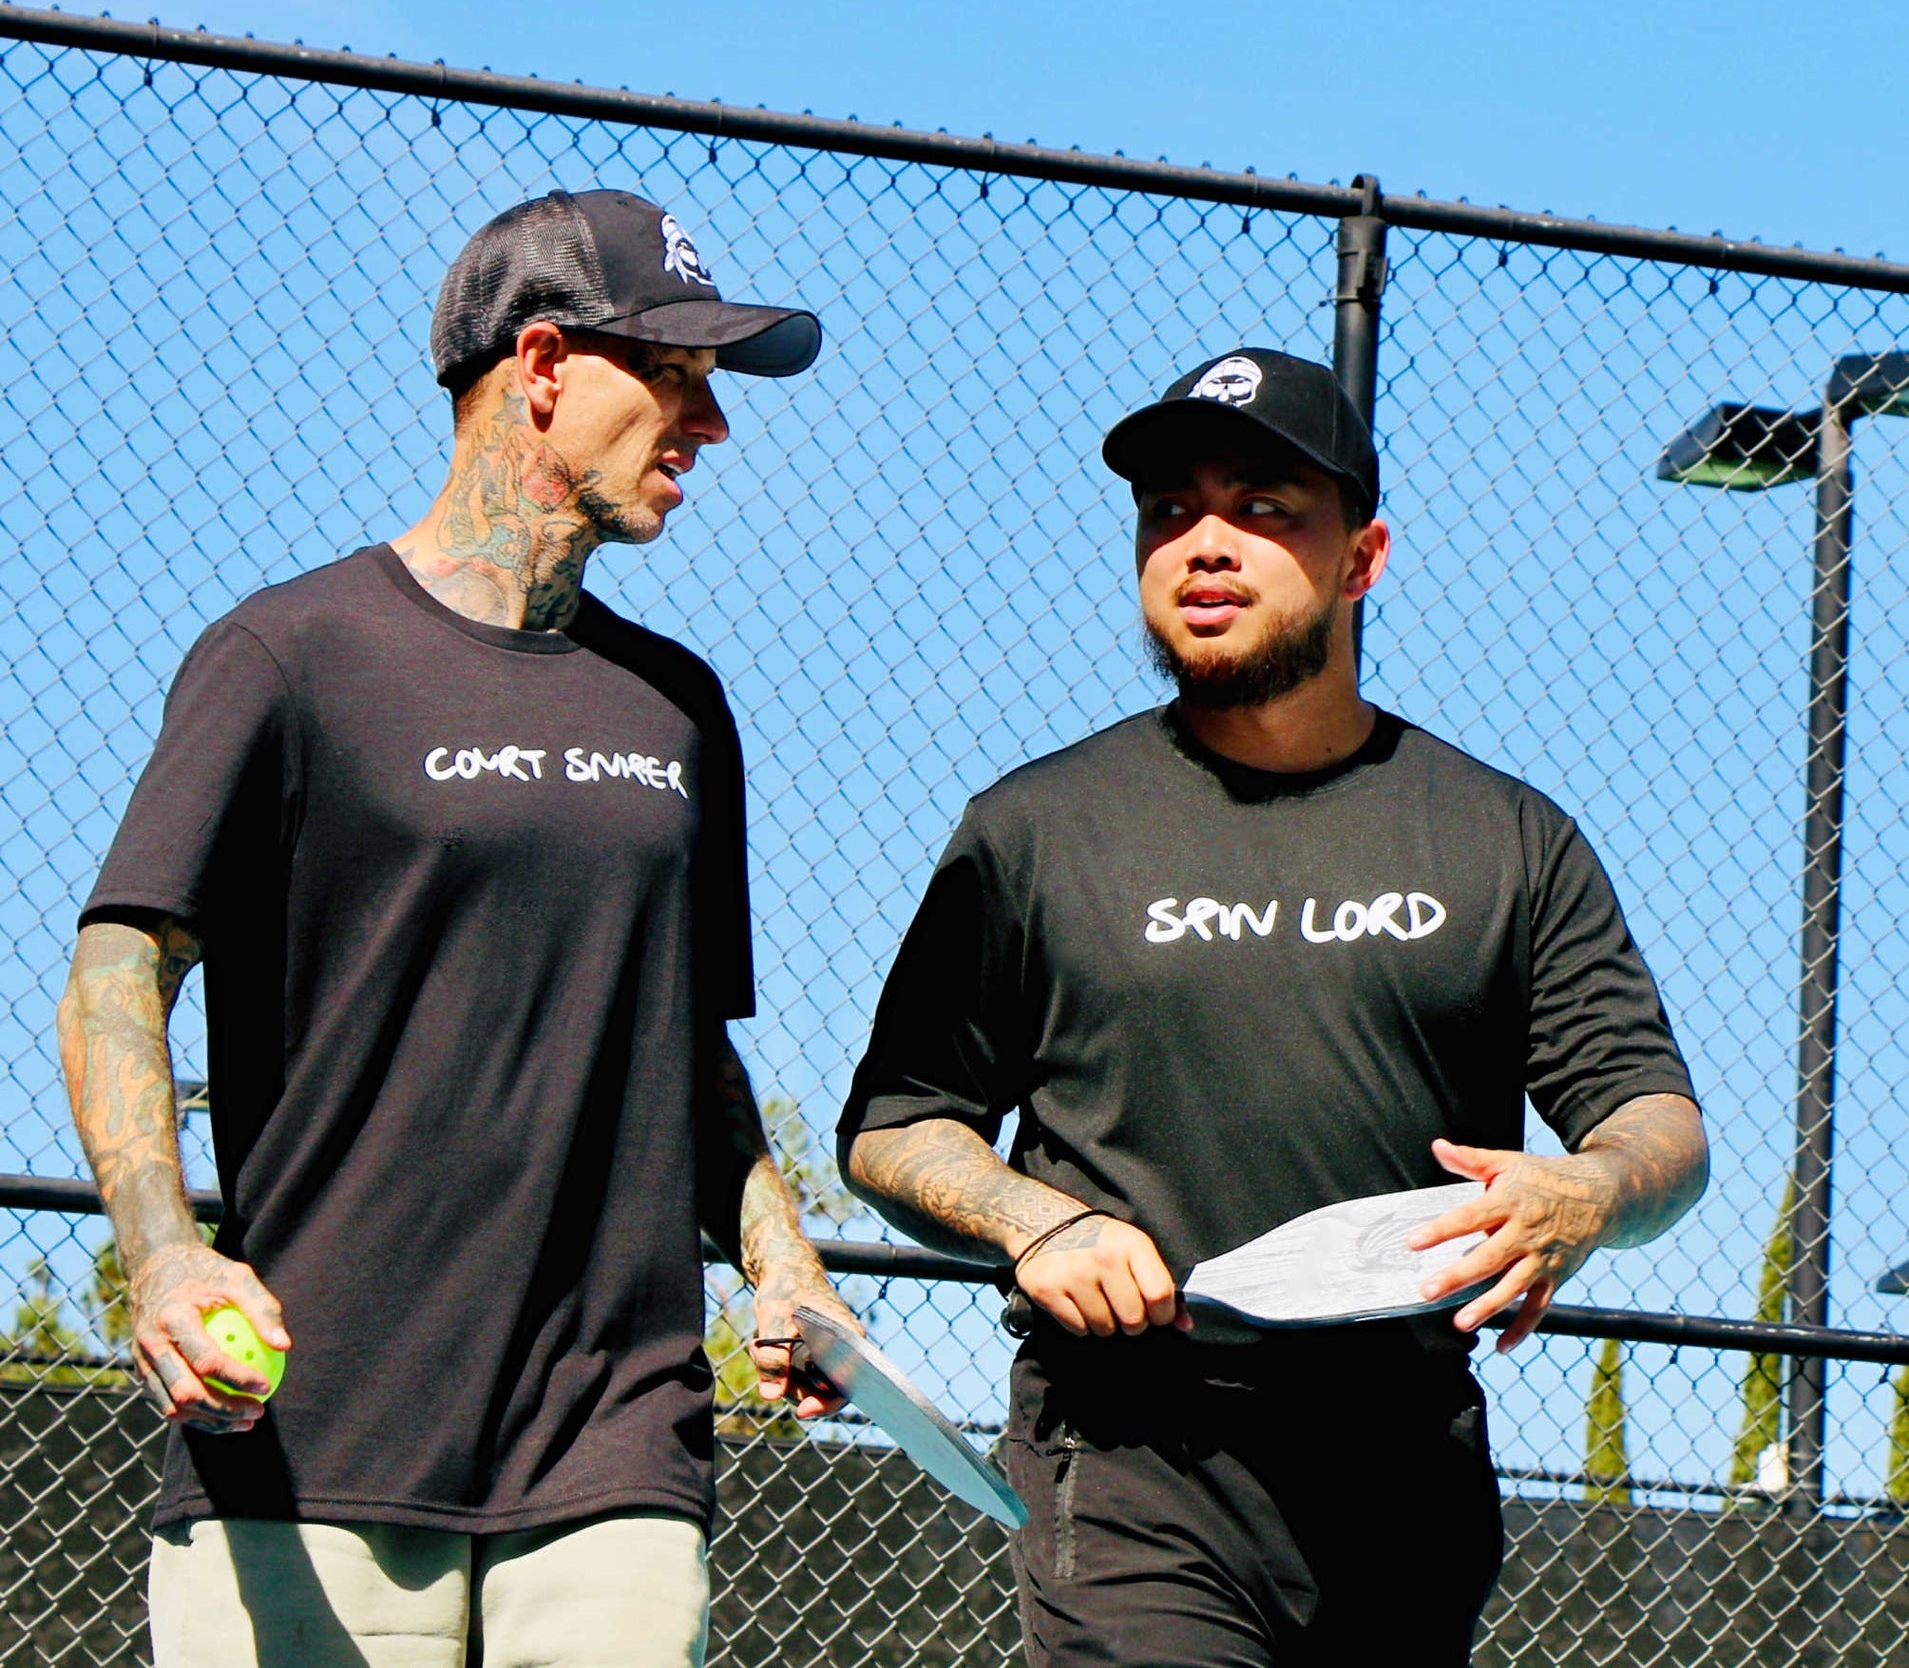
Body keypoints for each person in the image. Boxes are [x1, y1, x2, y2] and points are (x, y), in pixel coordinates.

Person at [56, 188, 860, 1668]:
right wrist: (168, 1257)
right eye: (675, 376)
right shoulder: (288, 656)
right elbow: (119, 967)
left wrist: (782, 1260)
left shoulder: (677, 708)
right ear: (543, 365)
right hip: (313, 1433)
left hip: (612, 1445)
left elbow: (687, 1040)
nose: (712, 426)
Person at [839, 347, 1708, 1666]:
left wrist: (1586, 1193)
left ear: (1361, 557)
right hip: (1132, 1456)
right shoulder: (1032, 829)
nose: (1204, 542)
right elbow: (895, 1127)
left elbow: (1656, 1125)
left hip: (1404, 1465)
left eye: (1260, 507)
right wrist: (1035, 1219)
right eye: (1170, 509)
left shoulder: (1502, 835)